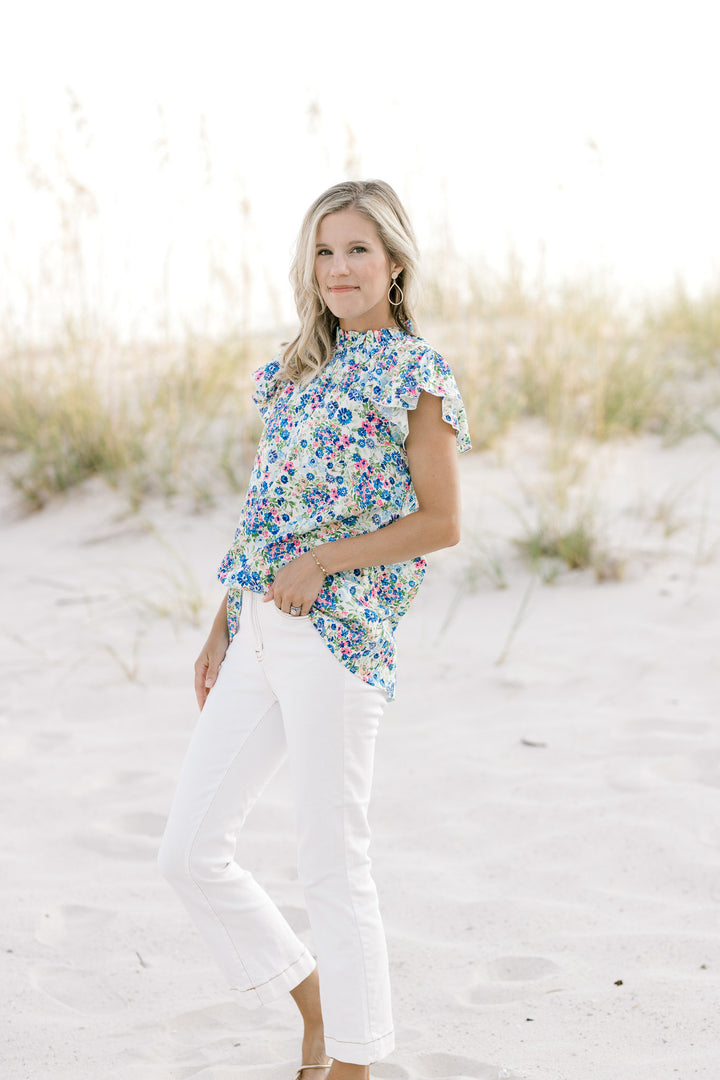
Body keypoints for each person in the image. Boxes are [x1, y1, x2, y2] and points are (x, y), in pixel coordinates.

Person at [158, 179, 472, 1080]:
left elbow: (442, 522)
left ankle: (356, 1063)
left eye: (359, 251)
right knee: (188, 853)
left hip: (340, 643)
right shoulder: (292, 373)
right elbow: (264, 514)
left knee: (333, 866)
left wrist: (326, 564)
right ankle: (317, 1004)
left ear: (395, 262)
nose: (339, 269)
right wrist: (222, 623)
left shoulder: (416, 372)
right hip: (256, 628)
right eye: (325, 252)